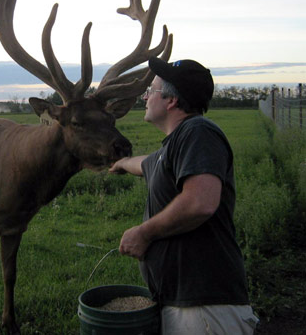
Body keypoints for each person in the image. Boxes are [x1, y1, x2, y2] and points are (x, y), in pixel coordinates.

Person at [109, 58, 258, 334]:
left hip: (204, 310)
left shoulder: (198, 131)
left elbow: (200, 202)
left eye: (150, 90)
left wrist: (144, 233)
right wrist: (119, 164)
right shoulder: (174, 147)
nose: (145, 97)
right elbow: (145, 163)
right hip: (185, 304)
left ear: (171, 101)